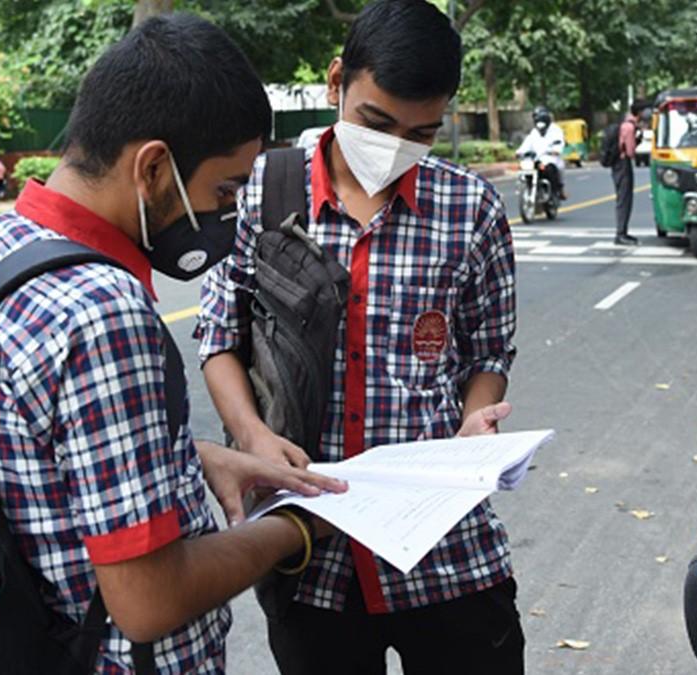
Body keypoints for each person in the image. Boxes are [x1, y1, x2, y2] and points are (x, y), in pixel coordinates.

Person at [0, 14, 346, 673]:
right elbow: (147, 598)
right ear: (155, 166)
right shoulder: (103, 312)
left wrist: (195, 458)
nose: (228, 213)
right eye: (224, 189)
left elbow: (36, 441)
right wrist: (297, 529)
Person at [198, 1, 523, 673]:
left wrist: (474, 426)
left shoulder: (471, 209)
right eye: (376, 122)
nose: (395, 145)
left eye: (422, 132)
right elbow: (218, 335)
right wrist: (254, 438)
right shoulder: (262, 189)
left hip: (446, 551)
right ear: (336, 81)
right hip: (310, 556)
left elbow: (488, 352)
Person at [516, 105, 566, 201]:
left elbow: (559, 143)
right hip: (536, 160)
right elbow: (527, 144)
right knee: (525, 171)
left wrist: (555, 150)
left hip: (550, 159)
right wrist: (519, 152)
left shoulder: (556, 130)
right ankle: (531, 189)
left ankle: (555, 192)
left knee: (552, 170)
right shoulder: (534, 132)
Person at [613, 101, 645, 246]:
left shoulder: (625, 123)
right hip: (623, 164)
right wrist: (637, 140)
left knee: (624, 197)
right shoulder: (629, 127)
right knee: (624, 199)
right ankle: (620, 234)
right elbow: (630, 151)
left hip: (618, 164)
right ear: (640, 113)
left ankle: (623, 232)